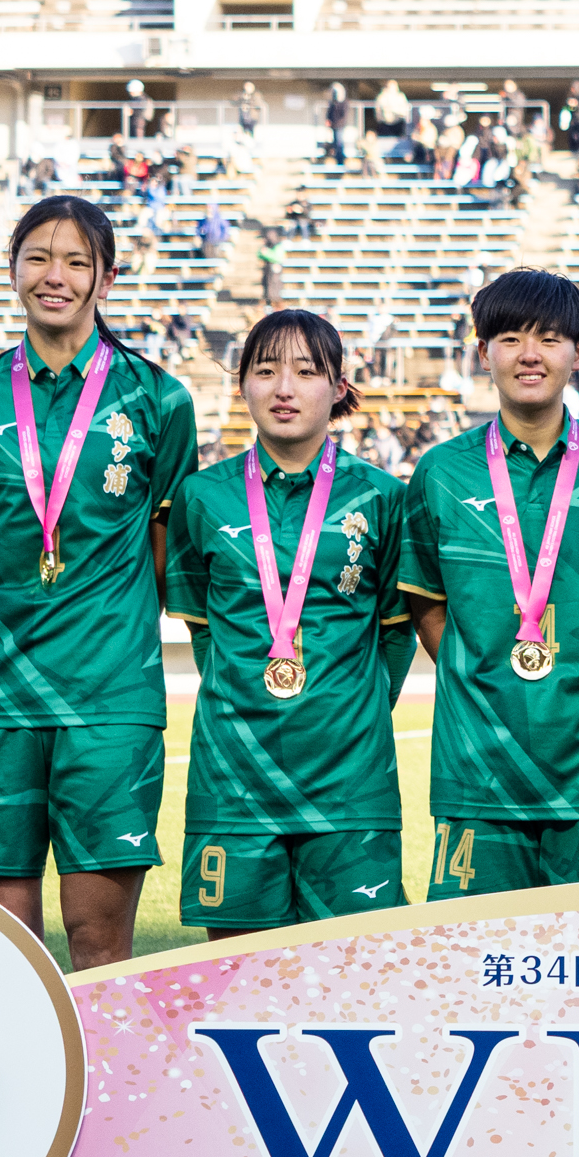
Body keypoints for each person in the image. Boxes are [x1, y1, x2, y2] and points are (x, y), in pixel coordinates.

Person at [0, 196, 198, 966]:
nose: (56, 276)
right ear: (12, 269)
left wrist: (101, 618)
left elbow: (165, 546)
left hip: (109, 699)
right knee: (1, 950)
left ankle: (106, 1059)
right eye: (39, 258)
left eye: (77, 261)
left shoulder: (158, 398)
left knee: (97, 937)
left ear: (105, 279)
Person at [399, 270, 579, 896]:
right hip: (476, 765)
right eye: (511, 338)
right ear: (483, 351)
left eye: (549, 338)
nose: (530, 354)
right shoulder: (440, 471)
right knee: (471, 951)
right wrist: (484, 672)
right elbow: (426, 605)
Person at [164, 310, 411, 934]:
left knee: (354, 972)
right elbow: (204, 627)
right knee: (237, 973)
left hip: (351, 780)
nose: (283, 389)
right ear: (242, 383)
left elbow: (397, 629)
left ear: (338, 386)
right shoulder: (202, 496)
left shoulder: (382, 496)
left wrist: (350, 709)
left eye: (305, 372)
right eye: (265, 370)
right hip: (234, 776)